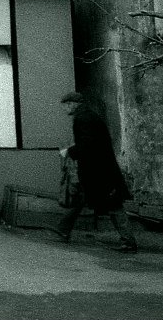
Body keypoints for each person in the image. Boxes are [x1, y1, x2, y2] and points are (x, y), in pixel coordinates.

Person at [54, 91, 138, 252]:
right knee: (82, 198)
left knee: (113, 205)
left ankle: (129, 241)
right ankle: (63, 229)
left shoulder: (82, 118)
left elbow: (88, 144)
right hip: (99, 170)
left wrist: (69, 152)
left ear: (71, 104)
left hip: (99, 172)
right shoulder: (88, 115)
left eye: (65, 105)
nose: (64, 109)